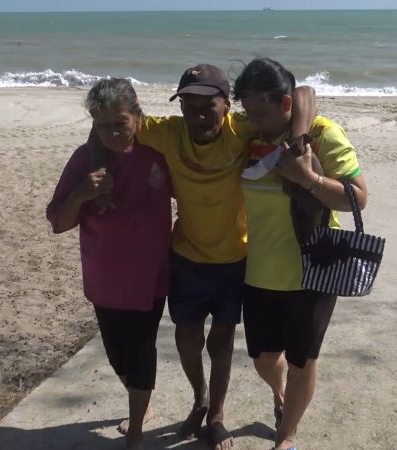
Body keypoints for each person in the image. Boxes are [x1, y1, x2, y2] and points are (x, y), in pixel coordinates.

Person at [88, 64, 317, 450]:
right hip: (186, 258)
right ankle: (200, 399)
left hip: (233, 259)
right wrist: (100, 174)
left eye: (207, 106)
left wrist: (298, 140)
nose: (197, 115)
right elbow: (103, 123)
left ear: (227, 104)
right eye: (188, 106)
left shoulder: (243, 128)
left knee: (221, 343)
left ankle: (217, 417)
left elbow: (304, 94)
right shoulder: (167, 131)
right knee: (188, 340)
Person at [232, 58, 368, 450]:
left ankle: (287, 433)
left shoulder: (323, 134)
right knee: (263, 358)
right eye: (248, 112)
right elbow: (305, 93)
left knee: (302, 360)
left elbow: (358, 198)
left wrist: (308, 179)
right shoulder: (249, 132)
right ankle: (281, 396)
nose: (254, 122)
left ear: (285, 104)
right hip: (260, 268)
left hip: (315, 268)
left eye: (261, 113)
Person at [46, 78, 172, 450]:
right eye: (104, 126)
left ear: (137, 117)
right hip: (105, 279)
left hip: (150, 278)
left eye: (121, 123)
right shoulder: (84, 160)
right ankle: (140, 402)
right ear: (93, 124)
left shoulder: (157, 153)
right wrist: (81, 193)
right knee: (117, 355)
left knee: (141, 351)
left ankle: (136, 432)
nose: (114, 133)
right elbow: (59, 223)